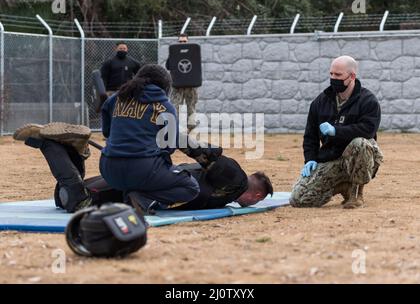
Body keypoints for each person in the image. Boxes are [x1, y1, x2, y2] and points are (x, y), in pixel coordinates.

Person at [13, 123, 273, 213]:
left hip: (142, 178)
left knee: (63, 197)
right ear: (257, 195)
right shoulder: (236, 180)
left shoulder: (227, 195)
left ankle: (69, 148)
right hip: (148, 183)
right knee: (73, 199)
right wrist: (172, 134)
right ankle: (51, 145)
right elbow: (203, 154)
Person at [99, 64, 200, 210]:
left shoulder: (116, 98)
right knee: (191, 187)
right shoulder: (165, 106)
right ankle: (144, 199)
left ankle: (131, 193)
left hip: (108, 170)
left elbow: (106, 132)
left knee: (132, 179)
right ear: (165, 85)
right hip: (143, 170)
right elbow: (169, 147)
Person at [290, 55, 384, 209]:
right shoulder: (320, 102)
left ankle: (356, 192)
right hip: (331, 159)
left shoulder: (368, 101)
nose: (333, 78)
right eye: (331, 74)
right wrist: (310, 159)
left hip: (360, 158)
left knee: (360, 143)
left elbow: (368, 130)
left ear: (352, 76)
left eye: (338, 75)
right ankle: (342, 185)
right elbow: (310, 136)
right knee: (298, 199)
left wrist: (336, 131)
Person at [166, 33, 199, 132]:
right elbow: (168, 66)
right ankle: (173, 128)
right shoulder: (174, 53)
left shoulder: (193, 52)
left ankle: (191, 128)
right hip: (177, 85)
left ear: (187, 41)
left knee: (191, 106)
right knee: (174, 107)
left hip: (191, 85)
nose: (182, 43)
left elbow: (197, 68)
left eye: (184, 41)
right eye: (180, 41)